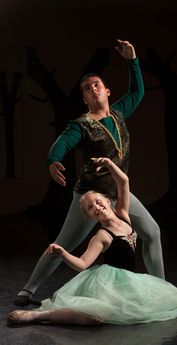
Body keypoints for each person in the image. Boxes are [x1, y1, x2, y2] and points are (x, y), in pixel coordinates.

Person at [15, 39, 165, 307]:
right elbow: (61, 143)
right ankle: (28, 289)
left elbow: (137, 91)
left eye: (96, 84)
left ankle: (161, 290)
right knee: (65, 243)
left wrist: (132, 61)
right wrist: (53, 160)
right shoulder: (81, 125)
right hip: (91, 196)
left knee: (152, 232)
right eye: (86, 88)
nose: (92, 88)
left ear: (107, 91)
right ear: (84, 99)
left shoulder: (119, 112)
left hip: (119, 193)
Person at [8, 158, 177, 326]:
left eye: (98, 202)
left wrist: (109, 164)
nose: (96, 207)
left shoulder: (123, 215)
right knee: (94, 318)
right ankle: (38, 316)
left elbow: (123, 182)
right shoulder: (102, 236)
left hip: (129, 282)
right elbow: (83, 264)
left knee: (154, 303)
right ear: (91, 217)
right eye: (90, 208)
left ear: (108, 201)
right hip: (107, 284)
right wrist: (63, 253)